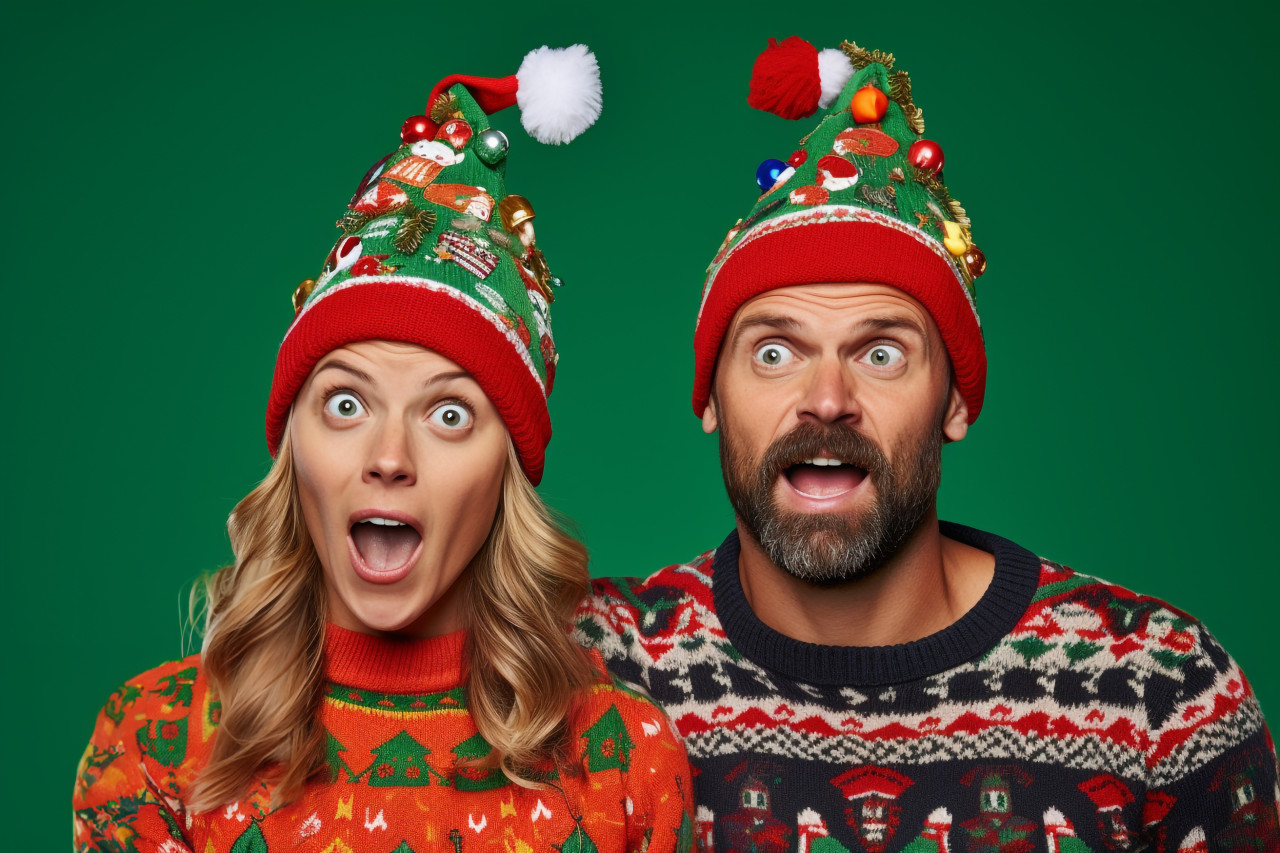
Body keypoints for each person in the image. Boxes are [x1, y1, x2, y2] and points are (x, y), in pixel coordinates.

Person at [575, 36, 1279, 853]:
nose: (827, 401)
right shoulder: (592, 671)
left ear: (953, 400)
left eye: (881, 353)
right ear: (710, 399)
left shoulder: (1161, 692)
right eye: (775, 351)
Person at [73, 47, 696, 852]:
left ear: (505, 472)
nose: (389, 455)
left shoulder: (623, 767)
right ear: (293, 446)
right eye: (345, 403)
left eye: (448, 415)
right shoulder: (153, 744)